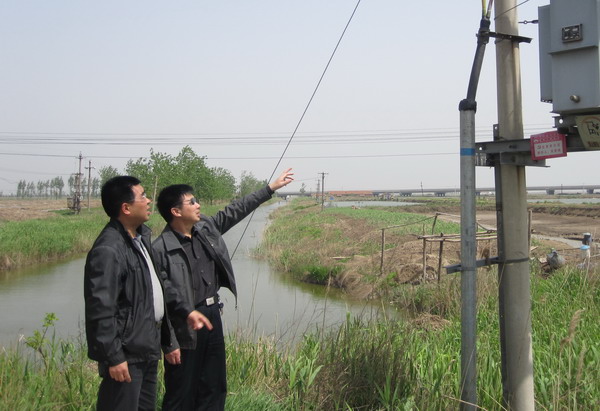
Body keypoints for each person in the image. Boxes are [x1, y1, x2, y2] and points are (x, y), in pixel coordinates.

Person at [153, 168, 294, 410]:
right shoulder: (160, 249)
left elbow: (236, 209)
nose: (198, 205)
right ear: (176, 212)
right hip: (184, 323)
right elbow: (162, 301)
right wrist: (170, 343)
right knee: (181, 390)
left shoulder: (206, 228)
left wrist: (270, 189)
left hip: (211, 317)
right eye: (192, 202)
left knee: (214, 385)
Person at [84, 175, 212, 411]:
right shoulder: (109, 250)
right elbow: (100, 310)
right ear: (126, 208)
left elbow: (158, 288)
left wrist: (184, 313)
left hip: (146, 348)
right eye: (142, 196)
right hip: (127, 355)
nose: (149, 200)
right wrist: (113, 357)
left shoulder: (140, 239)